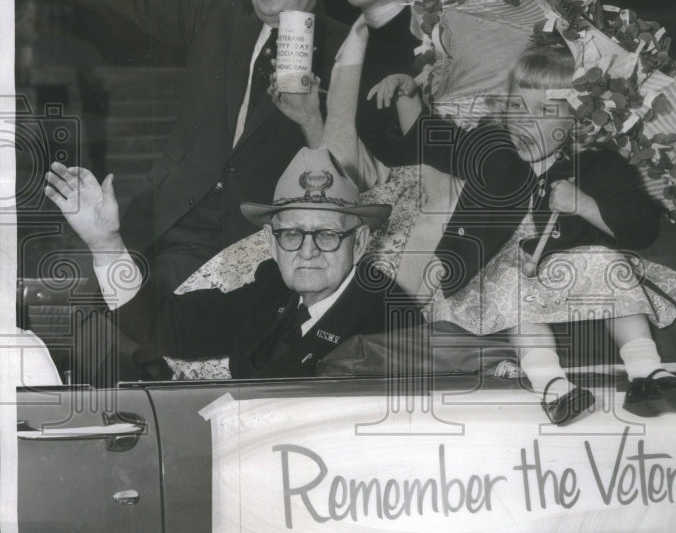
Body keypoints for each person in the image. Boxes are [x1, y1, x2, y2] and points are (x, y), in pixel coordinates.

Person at [78, 0, 349, 291]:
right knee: (93, 305)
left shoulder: (346, 47)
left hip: (257, 240)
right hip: (165, 219)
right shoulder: (219, 14)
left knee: (159, 308)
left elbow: (348, 170)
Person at [424, 44, 676, 425]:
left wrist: (586, 205)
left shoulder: (598, 165)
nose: (526, 122)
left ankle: (646, 374)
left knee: (609, 263)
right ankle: (552, 387)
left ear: (579, 119)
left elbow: (642, 228)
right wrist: (408, 100)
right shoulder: (492, 152)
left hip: (563, 273)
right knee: (512, 283)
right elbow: (435, 146)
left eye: (545, 111)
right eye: (516, 107)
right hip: (493, 271)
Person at [313, 0, 529, 300]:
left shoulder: (444, 23)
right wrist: (309, 114)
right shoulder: (352, 45)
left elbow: (493, 135)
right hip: (385, 206)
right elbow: (346, 159)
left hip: (461, 203)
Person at [44, 148, 417, 379]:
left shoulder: (388, 316)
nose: (307, 251)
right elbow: (164, 325)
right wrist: (106, 244)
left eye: (327, 234)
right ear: (271, 243)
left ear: (360, 242)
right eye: (291, 234)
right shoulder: (273, 291)